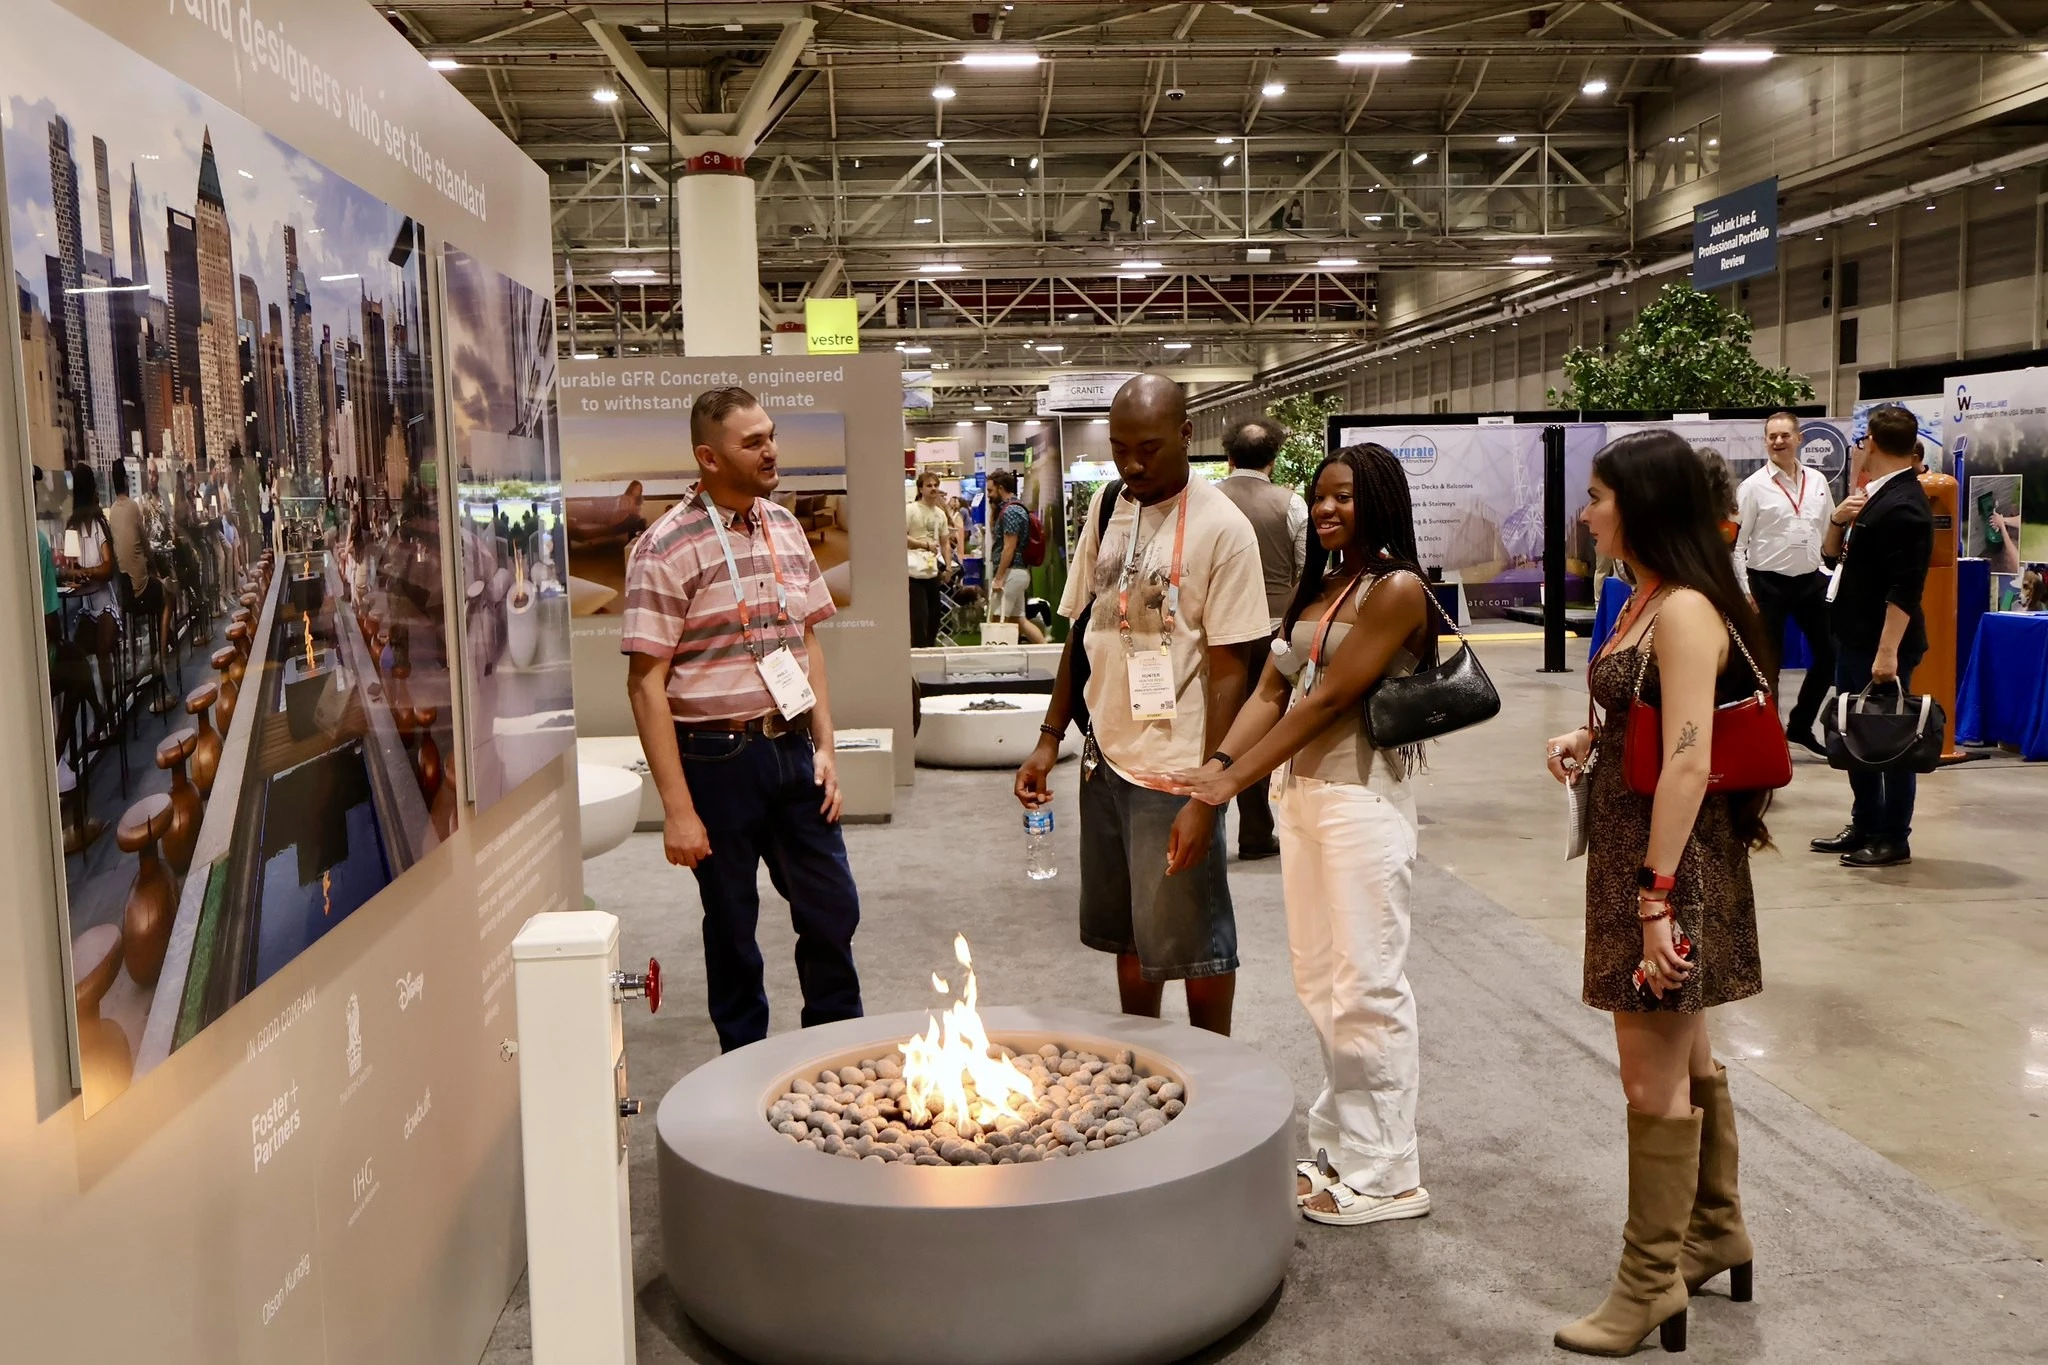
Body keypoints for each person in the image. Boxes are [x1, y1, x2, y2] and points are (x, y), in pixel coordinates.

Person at [1544, 428, 1769, 1358]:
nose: (1587, 511)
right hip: (1643, 851)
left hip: (1668, 862)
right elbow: (1650, 716)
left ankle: (1648, 1286)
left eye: (1597, 495)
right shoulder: (1645, 596)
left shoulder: (1682, 608)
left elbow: (1689, 762)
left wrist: (1654, 898)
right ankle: (1714, 1230)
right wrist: (1589, 741)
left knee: (1651, 1076)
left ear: (1638, 504)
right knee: (1688, 1047)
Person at [1169, 443, 1435, 1228]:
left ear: (1379, 500)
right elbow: (1272, 688)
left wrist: (1230, 782)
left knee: (1368, 986)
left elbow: (1326, 704)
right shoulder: (1322, 589)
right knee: (1320, 983)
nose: (1326, 509)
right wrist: (1218, 763)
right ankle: (1348, 1146)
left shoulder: (1396, 590)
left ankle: (1389, 1172)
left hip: (1362, 801)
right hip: (1305, 800)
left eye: (1344, 497)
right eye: (1319, 497)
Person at [1013, 374, 1269, 1036]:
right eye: (1120, 447)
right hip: (1105, 760)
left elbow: (1230, 668)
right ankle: (1145, 1053)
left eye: (1149, 448)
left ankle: (1216, 1066)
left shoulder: (1224, 528)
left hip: (1177, 768)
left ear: (1187, 435)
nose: (1132, 463)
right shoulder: (1107, 506)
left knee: (1196, 935)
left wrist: (1211, 785)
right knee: (1130, 931)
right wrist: (1050, 737)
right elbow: (1081, 630)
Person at [621, 385, 863, 1052]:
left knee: (832, 910)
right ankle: (745, 1067)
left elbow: (806, 643)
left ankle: (835, 1054)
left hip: (791, 749)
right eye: (752, 442)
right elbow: (645, 684)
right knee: (732, 926)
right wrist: (676, 809)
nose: (771, 450)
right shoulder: (665, 546)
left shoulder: (783, 526)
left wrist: (826, 748)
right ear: (709, 457)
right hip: (716, 760)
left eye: (772, 435)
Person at [1811, 403, 1934, 869]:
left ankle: (1892, 835)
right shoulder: (1875, 497)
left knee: (1893, 736)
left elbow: (1905, 590)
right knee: (1857, 732)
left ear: (1873, 445)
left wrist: (1887, 655)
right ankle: (1865, 821)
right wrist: (1839, 520)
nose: (1858, 449)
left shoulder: (1905, 506)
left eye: (1861, 442)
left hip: (1881, 646)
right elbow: (1833, 559)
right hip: (1855, 635)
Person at [1213, 416, 1310, 861]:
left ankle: (1205, 822)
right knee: (1262, 727)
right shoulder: (1292, 506)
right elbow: (1308, 573)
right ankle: (1255, 831)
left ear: (1228, 457)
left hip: (1215, 634)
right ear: (1273, 459)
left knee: (1214, 727)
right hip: (1274, 632)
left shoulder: (1206, 502)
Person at [1732, 411, 1838, 755]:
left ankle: (1800, 725)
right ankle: (1768, 739)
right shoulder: (1752, 488)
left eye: (1784, 435)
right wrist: (1745, 589)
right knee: (1767, 666)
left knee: (1830, 656)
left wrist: (1828, 570)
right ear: (1765, 441)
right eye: (1772, 436)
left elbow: (1828, 530)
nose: (1778, 441)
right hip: (1767, 586)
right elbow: (1737, 545)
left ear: (1799, 439)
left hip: (1810, 582)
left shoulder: (1818, 482)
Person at [62, 465, 122, 745]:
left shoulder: (97, 524)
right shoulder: (73, 527)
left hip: (105, 604)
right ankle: (100, 712)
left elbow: (107, 568)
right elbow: (71, 568)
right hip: (88, 607)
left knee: (102, 652)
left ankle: (109, 710)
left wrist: (86, 572)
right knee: (77, 657)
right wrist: (84, 572)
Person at [106, 461, 173, 693]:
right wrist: (155, 570)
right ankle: (160, 657)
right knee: (168, 596)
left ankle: (162, 645)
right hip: (141, 588)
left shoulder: (111, 512)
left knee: (160, 590)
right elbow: (145, 546)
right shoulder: (134, 507)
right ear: (126, 481)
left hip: (125, 596)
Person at [986, 469, 1045, 643]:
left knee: (997, 619)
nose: (989, 495)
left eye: (990, 490)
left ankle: (998, 658)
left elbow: (1008, 548)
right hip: (1019, 572)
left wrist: (999, 577)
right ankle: (1046, 651)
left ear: (1001, 488)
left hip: (1010, 572)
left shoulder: (1010, 512)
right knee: (1019, 621)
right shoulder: (1016, 508)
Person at [906, 472, 953, 649]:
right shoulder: (910, 510)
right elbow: (900, 537)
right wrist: (923, 545)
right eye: (929, 485)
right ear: (920, 488)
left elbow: (945, 542)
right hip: (913, 572)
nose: (933, 488)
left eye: (935, 485)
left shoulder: (940, 514)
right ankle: (918, 655)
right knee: (919, 618)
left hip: (932, 570)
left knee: (935, 617)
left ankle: (930, 651)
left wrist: (948, 567)